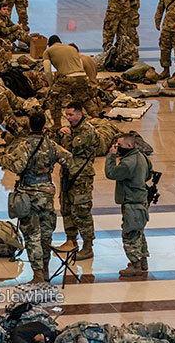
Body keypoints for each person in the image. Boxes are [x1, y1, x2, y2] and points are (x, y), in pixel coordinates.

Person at [0, 112, 72, 284]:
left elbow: (17, 166)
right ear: (44, 126)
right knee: (46, 234)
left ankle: (38, 276)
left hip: (28, 195)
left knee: (32, 235)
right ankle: (45, 271)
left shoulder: (24, 145)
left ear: (29, 126)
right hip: (46, 193)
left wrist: (5, 159)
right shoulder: (51, 144)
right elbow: (68, 159)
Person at [104, 133, 153, 278]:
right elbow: (148, 174)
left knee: (130, 234)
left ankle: (136, 265)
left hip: (132, 202)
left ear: (129, 146)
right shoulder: (142, 157)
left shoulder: (127, 163)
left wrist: (111, 156)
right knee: (138, 232)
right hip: (141, 199)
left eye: (119, 145)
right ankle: (142, 262)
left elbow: (111, 173)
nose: (117, 147)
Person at [57, 102, 99, 260]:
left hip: (81, 177)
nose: (68, 118)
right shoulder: (73, 129)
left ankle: (88, 246)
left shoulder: (86, 130)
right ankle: (71, 240)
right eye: (66, 115)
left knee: (82, 211)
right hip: (68, 174)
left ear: (79, 114)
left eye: (71, 115)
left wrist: (65, 136)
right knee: (66, 208)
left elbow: (71, 149)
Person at [42, 35, 92, 130]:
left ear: (49, 44)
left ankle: (57, 125)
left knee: (54, 101)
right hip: (82, 76)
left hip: (67, 77)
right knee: (85, 99)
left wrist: (51, 85)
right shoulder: (71, 48)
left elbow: (47, 70)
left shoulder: (48, 51)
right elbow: (80, 63)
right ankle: (96, 118)